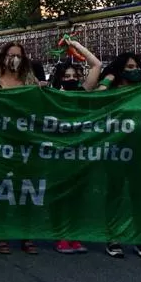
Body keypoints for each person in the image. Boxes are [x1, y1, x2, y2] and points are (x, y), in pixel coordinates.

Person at [48, 38, 105, 254]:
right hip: (58, 153)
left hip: (79, 153)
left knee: (78, 196)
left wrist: (75, 45)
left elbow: (96, 65)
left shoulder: (83, 92)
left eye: (74, 76)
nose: (71, 79)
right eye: (67, 76)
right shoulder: (52, 97)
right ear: (59, 79)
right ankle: (61, 236)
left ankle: (75, 236)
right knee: (62, 196)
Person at [97, 52, 141, 259]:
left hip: (139, 150)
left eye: (136, 66)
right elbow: (96, 97)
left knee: (139, 195)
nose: (134, 70)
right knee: (115, 193)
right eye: (129, 67)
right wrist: (108, 78)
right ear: (120, 69)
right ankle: (113, 237)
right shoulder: (110, 91)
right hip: (115, 150)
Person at [0, 41, 40, 255]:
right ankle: (2, 235)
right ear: (3, 56)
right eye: (10, 55)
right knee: (3, 189)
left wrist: (42, 90)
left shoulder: (29, 79)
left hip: (24, 141)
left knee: (26, 189)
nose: (14, 59)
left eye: (18, 55)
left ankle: (26, 234)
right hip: (1, 140)